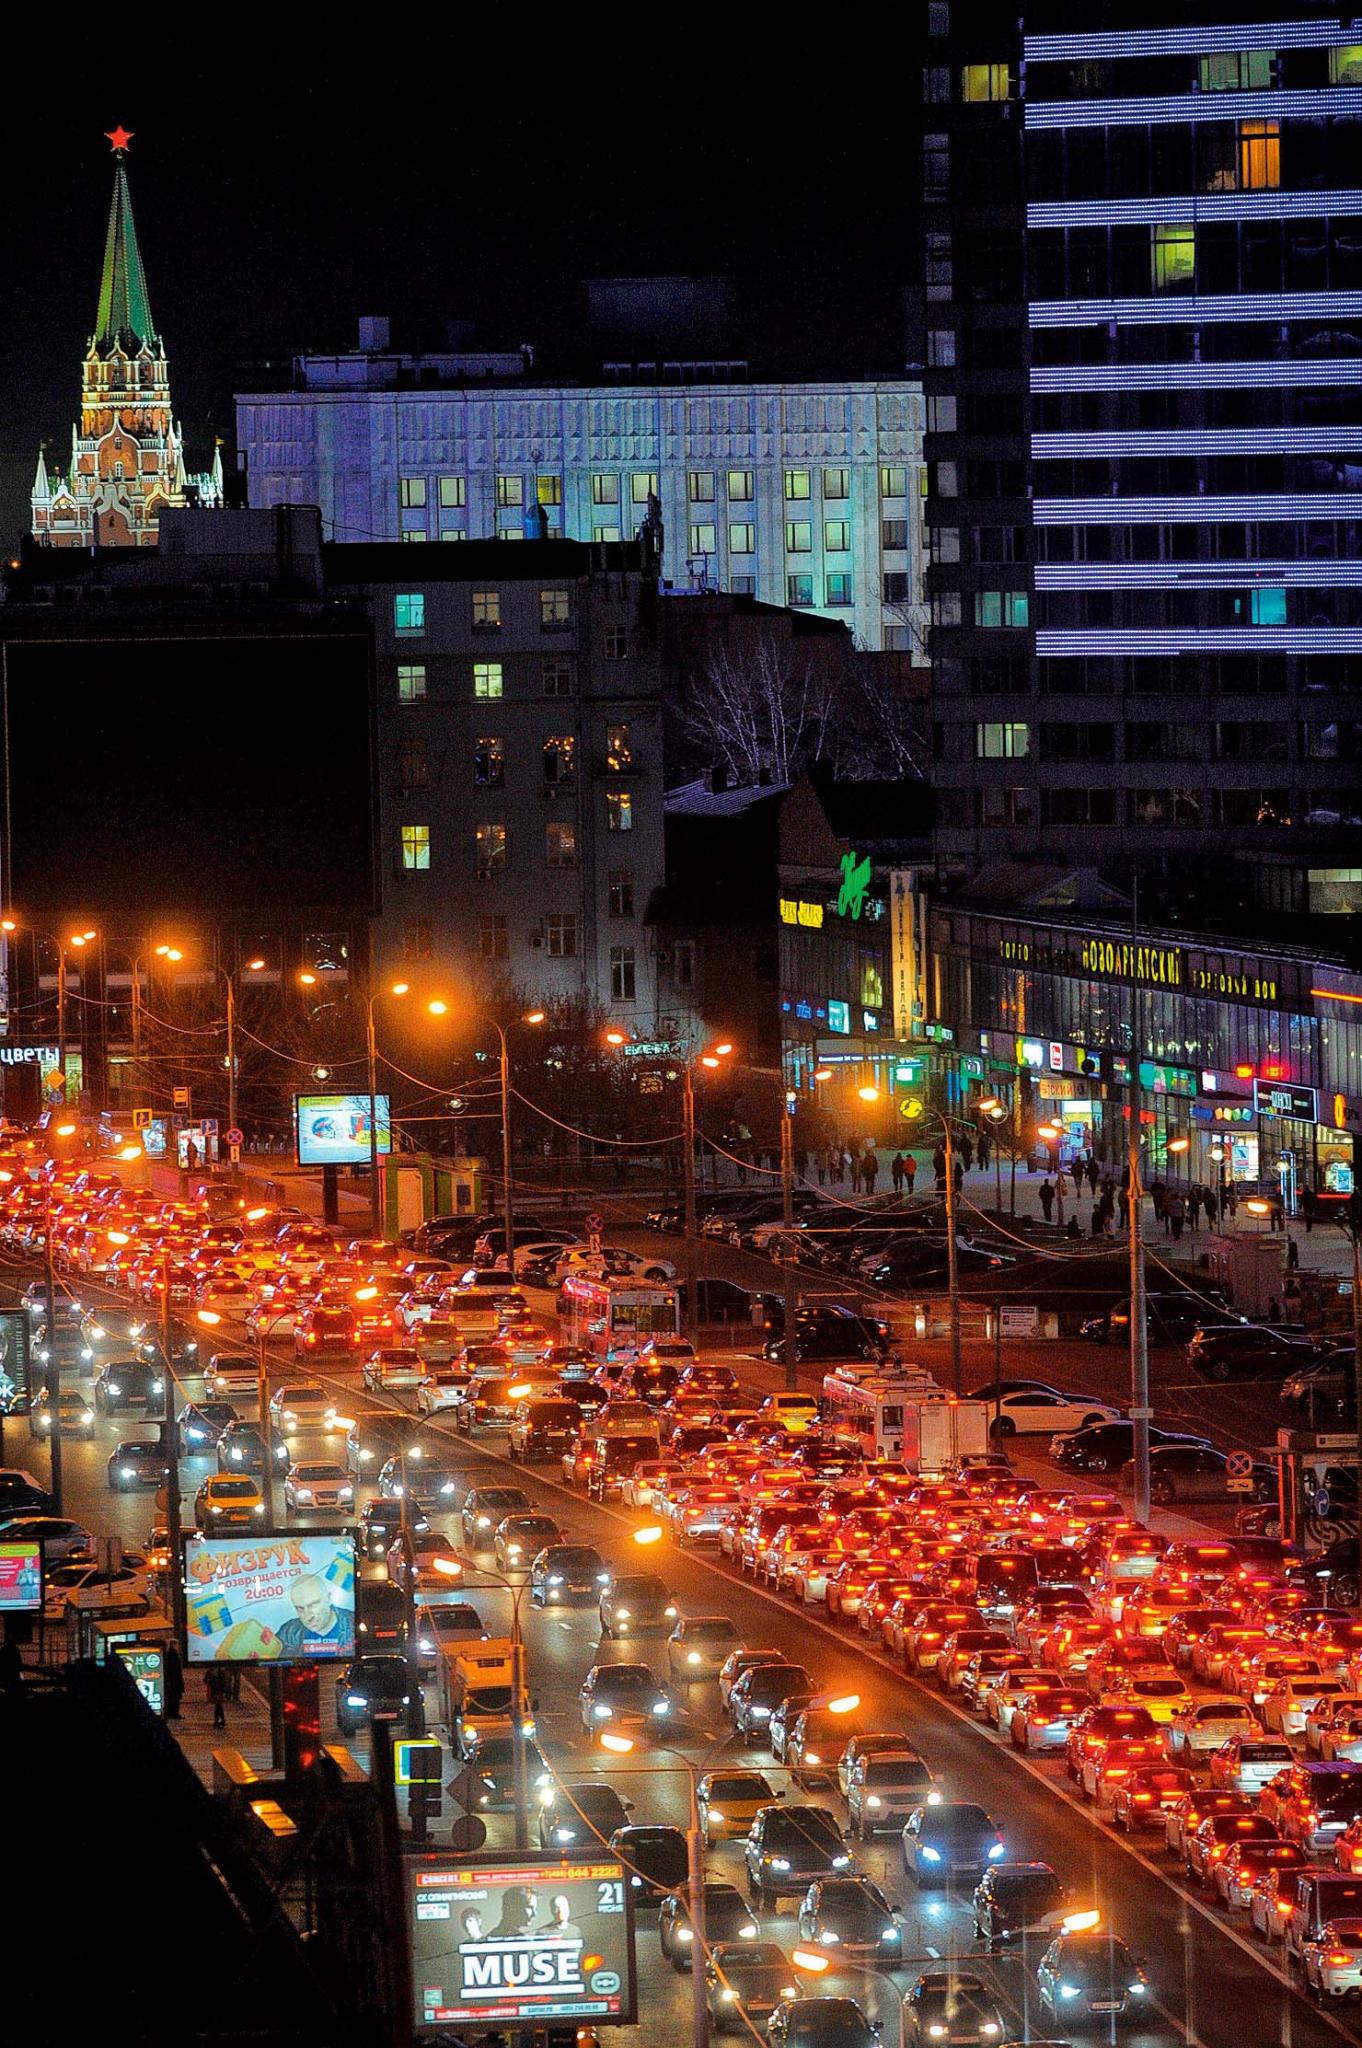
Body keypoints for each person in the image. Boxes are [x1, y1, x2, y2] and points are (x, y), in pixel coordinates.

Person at [276, 1573, 354, 1655]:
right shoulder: (289, 1631)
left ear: (328, 1598)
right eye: (300, 1608)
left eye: (312, 1605)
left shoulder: (353, 1623)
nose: (308, 1616)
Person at [162, 1637, 184, 1720]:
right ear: (174, 1645)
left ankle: (172, 1713)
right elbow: (175, 1671)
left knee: (173, 1698)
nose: (178, 1646)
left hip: (173, 1682)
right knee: (175, 1699)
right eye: (177, 1645)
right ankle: (174, 1713)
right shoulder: (173, 1654)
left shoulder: (170, 1654)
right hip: (175, 1682)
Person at [207, 1665, 227, 1729]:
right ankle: (220, 1720)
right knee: (218, 1705)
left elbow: (206, 1679)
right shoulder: (219, 1671)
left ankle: (219, 1720)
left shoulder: (213, 1670)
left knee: (218, 1705)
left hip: (216, 1690)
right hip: (217, 1690)